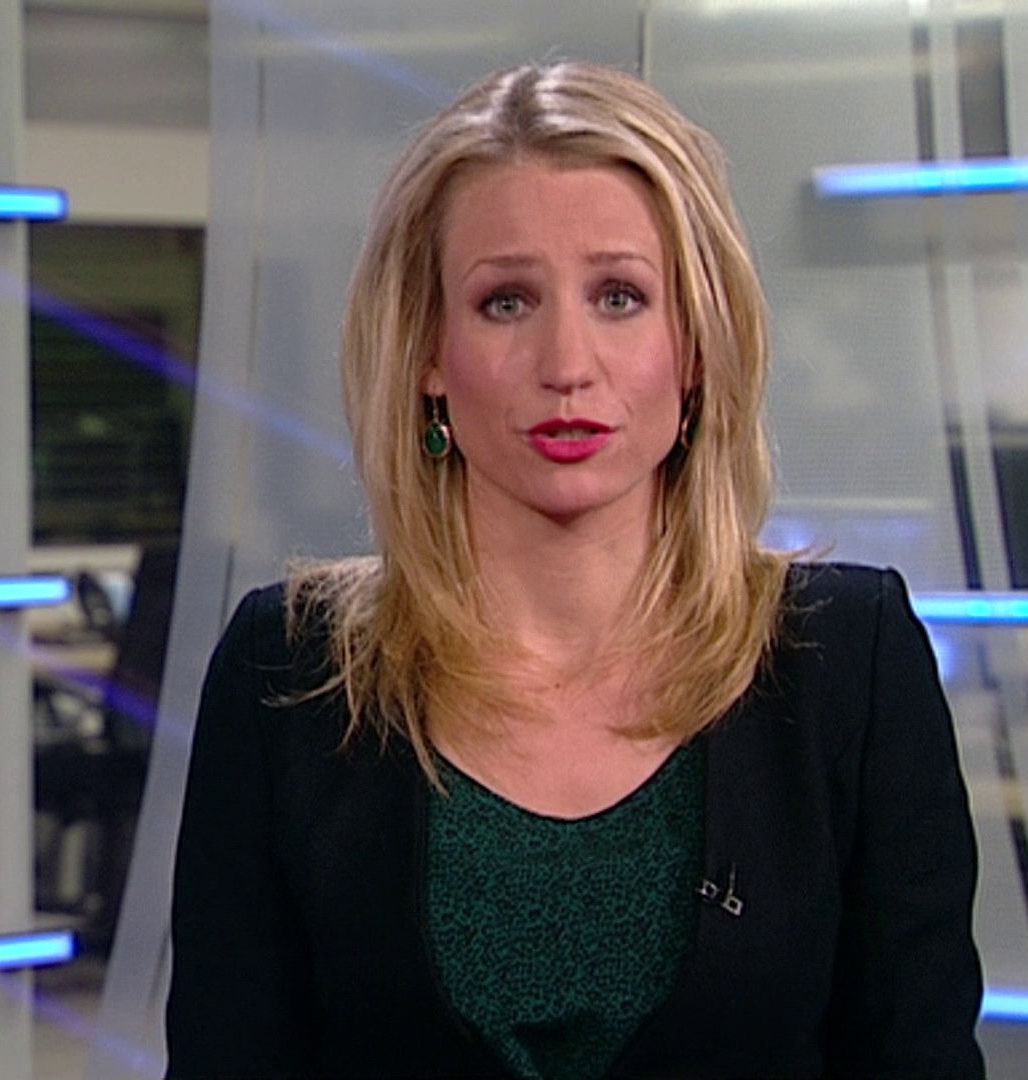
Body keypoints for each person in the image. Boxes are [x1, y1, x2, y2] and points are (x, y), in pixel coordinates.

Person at [165, 60, 985, 1079]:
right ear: (427, 352)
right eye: (506, 301)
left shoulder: (847, 660)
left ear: (696, 347)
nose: (566, 363)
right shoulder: (287, 671)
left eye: (620, 296)